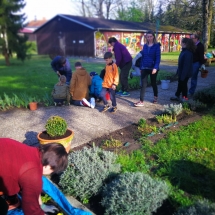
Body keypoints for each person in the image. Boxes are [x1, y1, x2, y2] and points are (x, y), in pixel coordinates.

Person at [0, 138, 68, 215]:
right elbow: (31, 210)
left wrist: (42, 206)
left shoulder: (34, 151)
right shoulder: (32, 174)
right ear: (49, 166)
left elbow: (34, 190)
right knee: (2, 208)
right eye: (52, 171)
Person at [133, 31, 161, 107]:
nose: (149, 38)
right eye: (147, 37)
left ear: (153, 37)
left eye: (150, 36)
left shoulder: (156, 46)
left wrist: (155, 68)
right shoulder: (145, 46)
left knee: (153, 83)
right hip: (144, 67)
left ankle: (155, 97)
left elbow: (158, 58)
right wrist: (141, 67)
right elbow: (143, 57)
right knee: (143, 84)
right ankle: (141, 101)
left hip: (153, 68)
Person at [170, 38, 196, 102]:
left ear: (184, 43)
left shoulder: (187, 53)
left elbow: (186, 65)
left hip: (185, 73)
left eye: (181, 42)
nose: (180, 43)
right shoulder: (184, 51)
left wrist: (183, 76)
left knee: (183, 84)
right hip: (181, 72)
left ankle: (185, 97)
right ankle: (177, 95)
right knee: (180, 84)